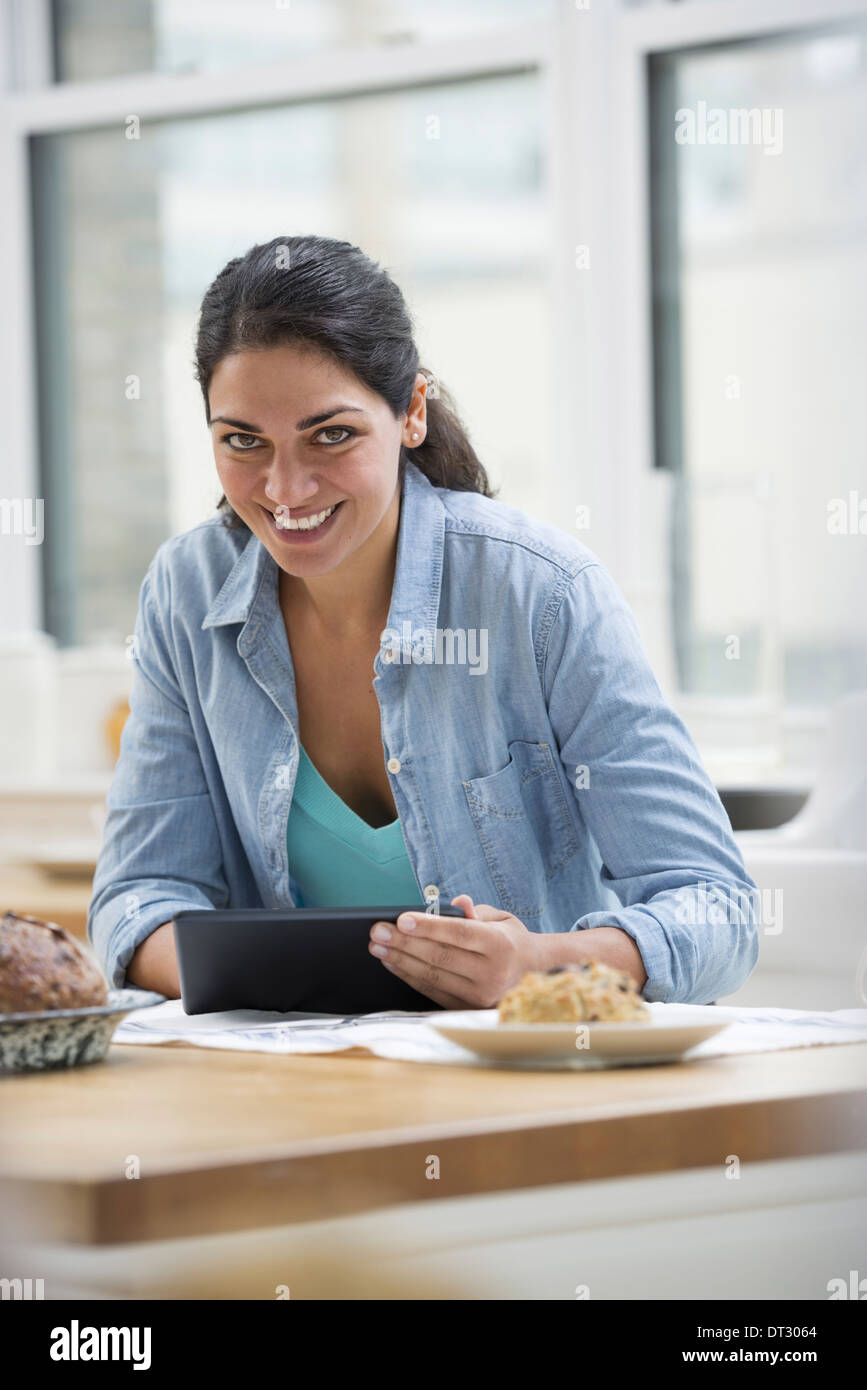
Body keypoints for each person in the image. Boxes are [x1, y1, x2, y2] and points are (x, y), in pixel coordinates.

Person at [87, 233, 759, 1009]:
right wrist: (283, 974)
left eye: (330, 434)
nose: (284, 488)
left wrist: (537, 964)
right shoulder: (185, 591)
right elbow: (137, 899)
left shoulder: (539, 593)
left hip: (526, 1083)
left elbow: (716, 908)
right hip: (286, 1089)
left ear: (410, 411)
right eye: (243, 441)